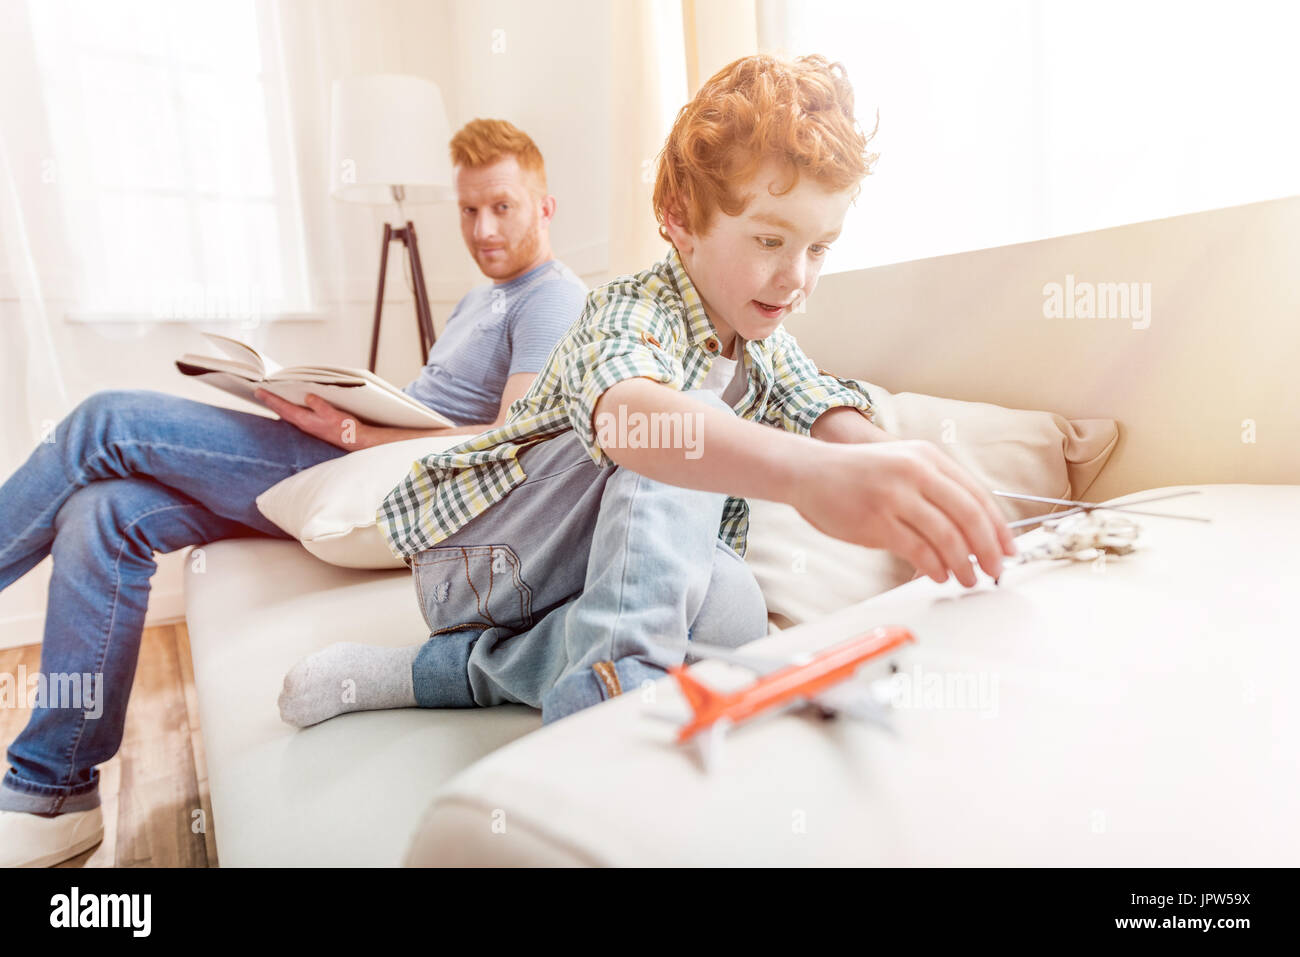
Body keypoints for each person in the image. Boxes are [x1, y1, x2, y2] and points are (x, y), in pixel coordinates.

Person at [275, 54, 1017, 732]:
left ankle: (454, 671)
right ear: (678, 219)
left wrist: (909, 476)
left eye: (819, 247)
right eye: (769, 240)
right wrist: (810, 475)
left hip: (578, 581)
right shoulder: (632, 309)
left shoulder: (766, 344)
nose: (797, 277)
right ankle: (616, 683)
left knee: (734, 611)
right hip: (480, 559)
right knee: (684, 416)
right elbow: (636, 420)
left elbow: (824, 411)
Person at [0, 118, 586, 867]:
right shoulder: (483, 298)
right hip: (349, 458)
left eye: (503, 206)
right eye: (469, 210)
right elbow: (440, 409)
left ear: (545, 206)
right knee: (102, 512)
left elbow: (502, 444)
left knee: (101, 421)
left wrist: (348, 435)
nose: (482, 228)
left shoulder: (552, 299)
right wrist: (341, 406)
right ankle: (54, 791)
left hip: (375, 479)